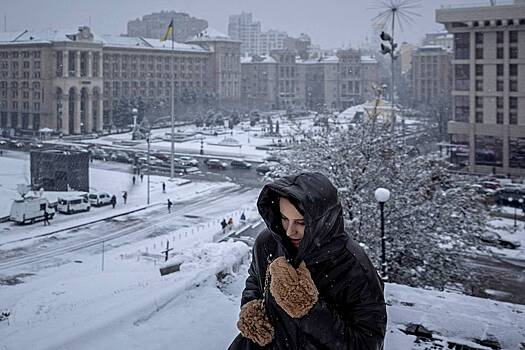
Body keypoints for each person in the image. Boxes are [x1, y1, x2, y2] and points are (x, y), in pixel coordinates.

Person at [228, 172, 387, 349]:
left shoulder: (354, 268)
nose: (289, 231)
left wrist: (309, 309)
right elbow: (255, 279)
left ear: (324, 220)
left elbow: (367, 344)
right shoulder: (268, 242)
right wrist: (251, 307)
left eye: (301, 222)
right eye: (284, 219)